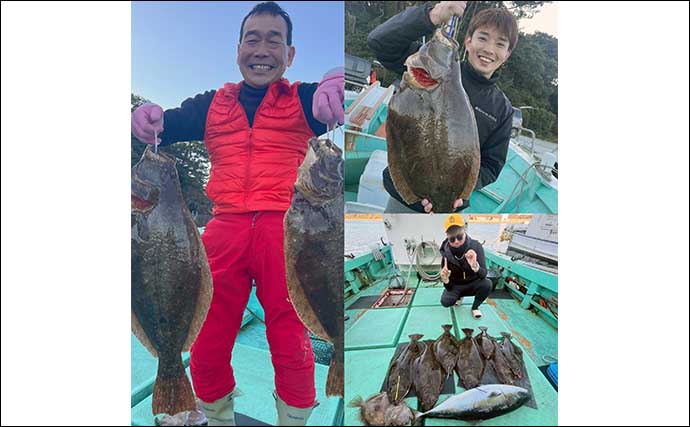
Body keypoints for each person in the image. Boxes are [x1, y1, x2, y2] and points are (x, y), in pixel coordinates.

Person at [130, 2, 344, 425]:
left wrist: (336, 85)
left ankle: (294, 419)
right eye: (252, 38)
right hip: (222, 227)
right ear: (238, 48)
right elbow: (162, 127)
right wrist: (143, 121)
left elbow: (337, 113)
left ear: (290, 54)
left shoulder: (304, 99)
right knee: (207, 334)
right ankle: (217, 415)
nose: (262, 49)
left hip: (287, 229)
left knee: (289, 336)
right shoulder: (210, 105)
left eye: (274, 40)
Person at [367, 1, 519, 213]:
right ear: (468, 41)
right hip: (404, 200)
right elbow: (379, 42)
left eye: (500, 44)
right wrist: (433, 16)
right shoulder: (428, 68)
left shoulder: (502, 109)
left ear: (507, 54)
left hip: (451, 204)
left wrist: (460, 192)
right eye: (482, 38)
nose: (489, 49)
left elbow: (491, 165)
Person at [439, 214, 492, 319]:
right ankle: (459, 297)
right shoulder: (445, 254)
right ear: (447, 238)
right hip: (456, 285)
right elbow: (448, 287)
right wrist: (445, 280)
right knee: (445, 302)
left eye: (459, 237)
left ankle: (475, 307)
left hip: (473, 283)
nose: (457, 241)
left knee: (487, 284)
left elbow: (483, 274)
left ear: (465, 232)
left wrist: (475, 267)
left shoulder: (476, 246)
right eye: (452, 239)